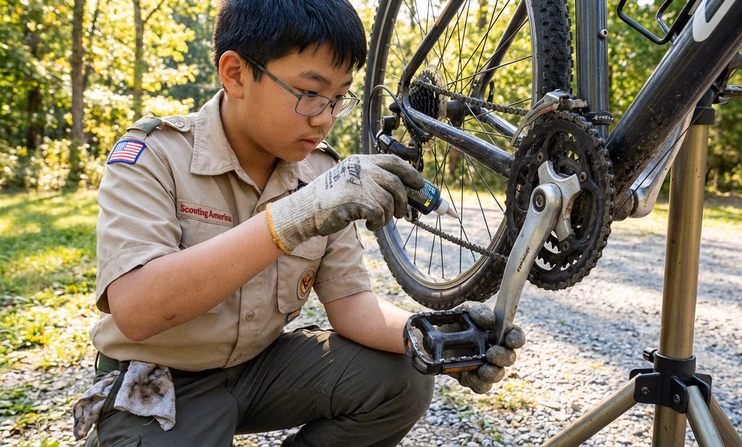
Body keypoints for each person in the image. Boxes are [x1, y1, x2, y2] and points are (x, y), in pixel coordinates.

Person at [71, 0, 525, 446]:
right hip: (161, 381)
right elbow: (136, 310)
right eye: (309, 93)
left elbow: (352, 305)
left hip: (259, 369)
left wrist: (433, 337)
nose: (325, 117)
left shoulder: (322, 174)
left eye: (338, 97)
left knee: (402, 372)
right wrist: (297, 216)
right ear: (235, 74)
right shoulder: (154, 155)